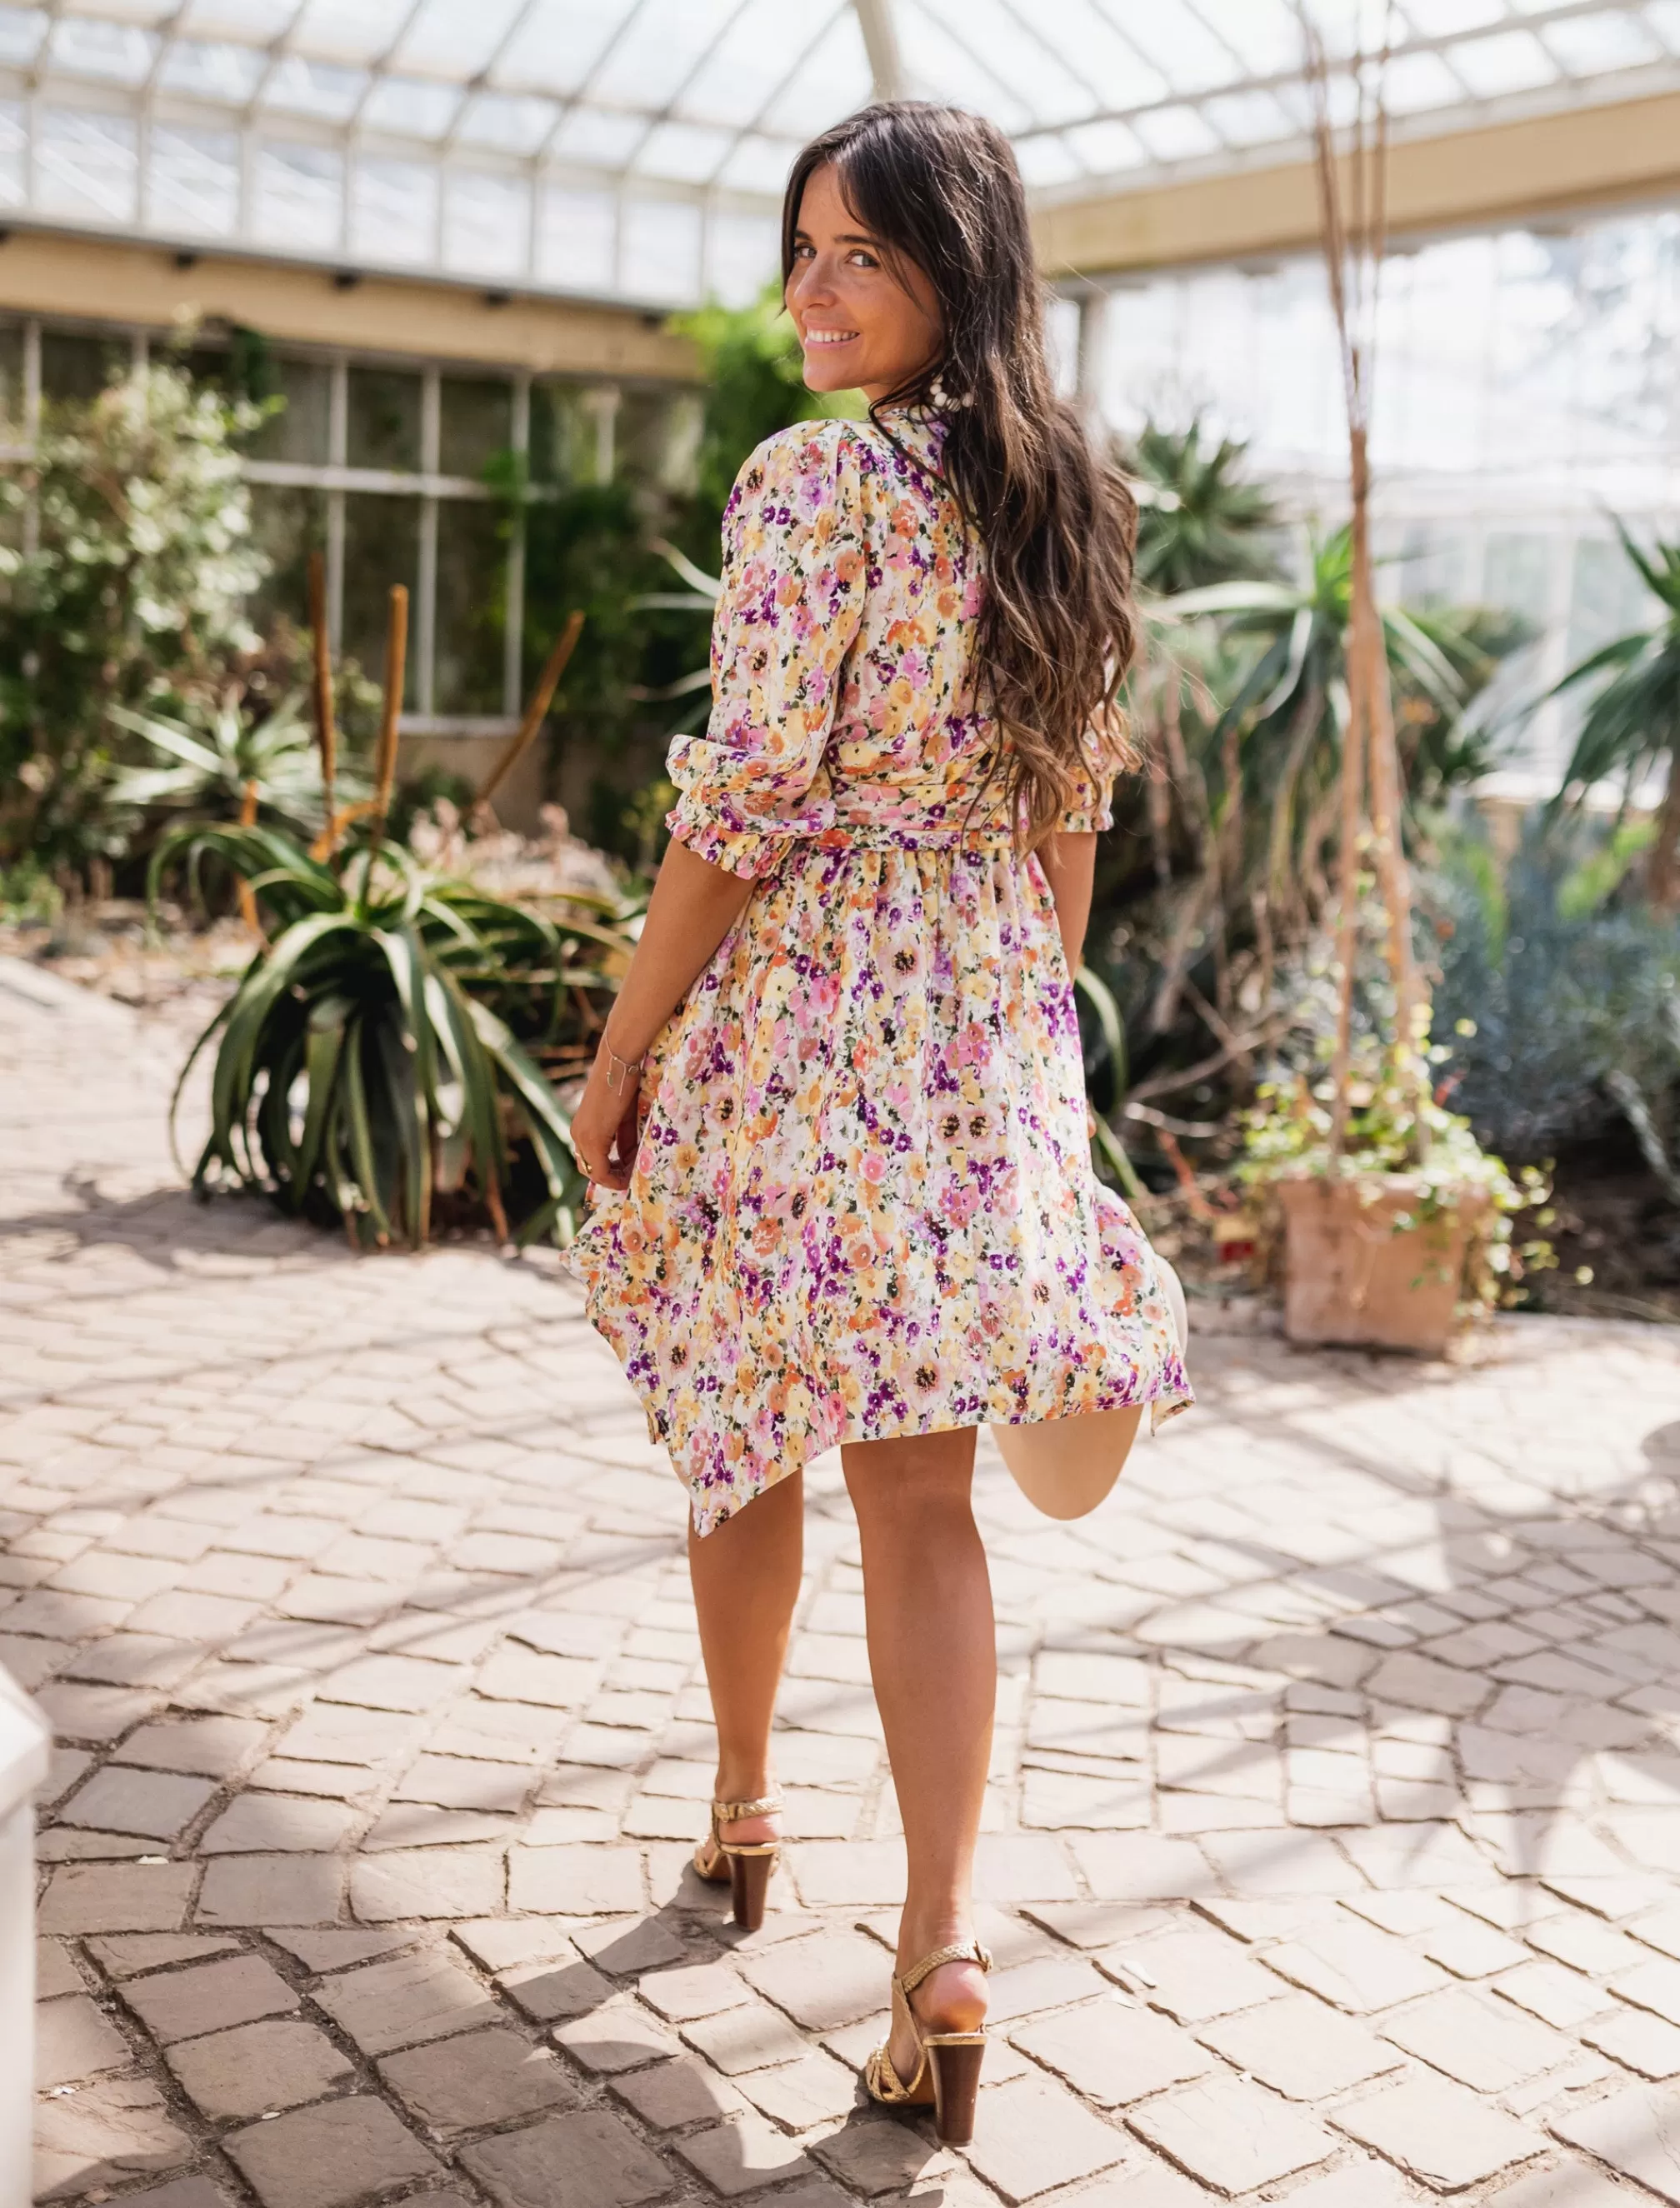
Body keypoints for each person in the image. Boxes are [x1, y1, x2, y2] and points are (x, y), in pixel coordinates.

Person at [565, 100, 1191, 2146]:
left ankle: (745, 1805)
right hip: (979, 1028)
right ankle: (939, 1950)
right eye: (803, 248)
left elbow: (745, 801)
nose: (810, 292)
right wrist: (1020, 1047)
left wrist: (625, 1042)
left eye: (858, 252)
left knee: (741, 1416)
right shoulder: (1068, 494)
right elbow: (1070, 817)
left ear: (955, 268)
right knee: (927, 1501)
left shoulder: (812, 480)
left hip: (799, 1016)